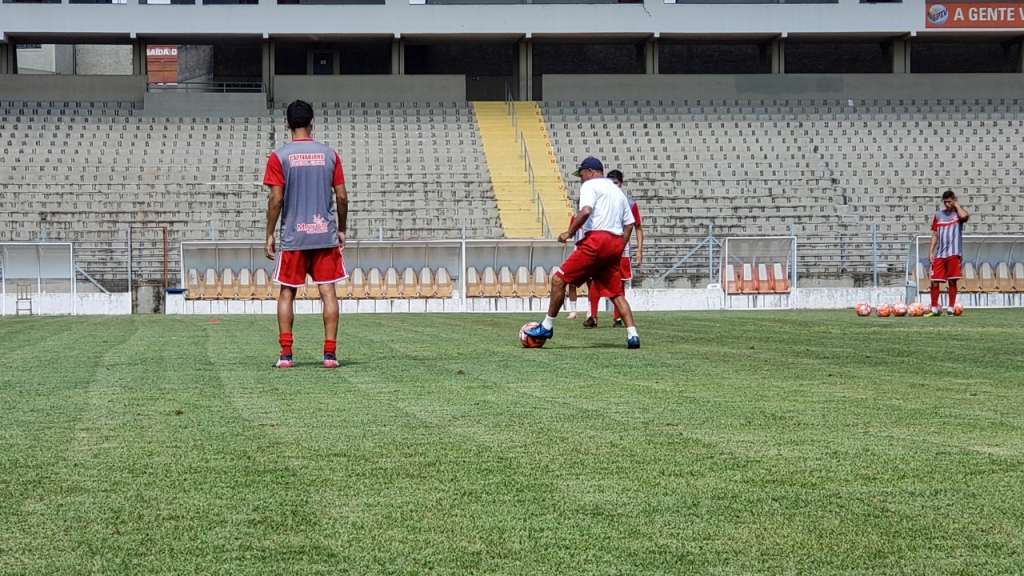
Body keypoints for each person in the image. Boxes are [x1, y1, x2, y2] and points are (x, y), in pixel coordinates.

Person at [263, 100, 349, 368]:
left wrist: (269, 234)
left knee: (287, 293)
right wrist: (342, 229)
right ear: (313, 123)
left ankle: (286, 355)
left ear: (287, 124)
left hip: (294, 236)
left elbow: (276, 199)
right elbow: (342, 196)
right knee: (328, 292)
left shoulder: (280, 156)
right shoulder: (330, 155)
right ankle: (329, 355)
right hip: (323, 235)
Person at [524, 157, 640, 349]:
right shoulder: (618, 192)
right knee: (616, 293)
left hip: (596, 241)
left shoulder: (590, 186)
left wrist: (568, 233)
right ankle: (633, 335)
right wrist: (620, 245)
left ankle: (547, 326)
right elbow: (629, 224)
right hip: (614, 243)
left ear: (591, 172)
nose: (581, 179)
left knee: (558, 280)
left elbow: (586, 211)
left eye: (582, 174)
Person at [584, 169, 643, 328]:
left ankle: (617, 318)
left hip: (621, 249)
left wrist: (639, 249)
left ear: (621, 184)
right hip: (604, 245)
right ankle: (592, 316)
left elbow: (637, 227)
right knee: (595, 280)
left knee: (619, 282)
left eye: (616, 183)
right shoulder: (602, 199)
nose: (613, 186)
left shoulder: (629, 203)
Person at [927, 190, 969, 316]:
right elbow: (934, 234)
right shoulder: (938, 215)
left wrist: (956, 205)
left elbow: (965, 216)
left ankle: (951, 307)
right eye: (945, 202)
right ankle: (934, 307)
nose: (947, 204)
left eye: (949, 202)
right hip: (940, 253)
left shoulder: (958, 214)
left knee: (952, 281)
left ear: (954, 200)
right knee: (934, 280)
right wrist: (931, 251)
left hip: (954, 253)